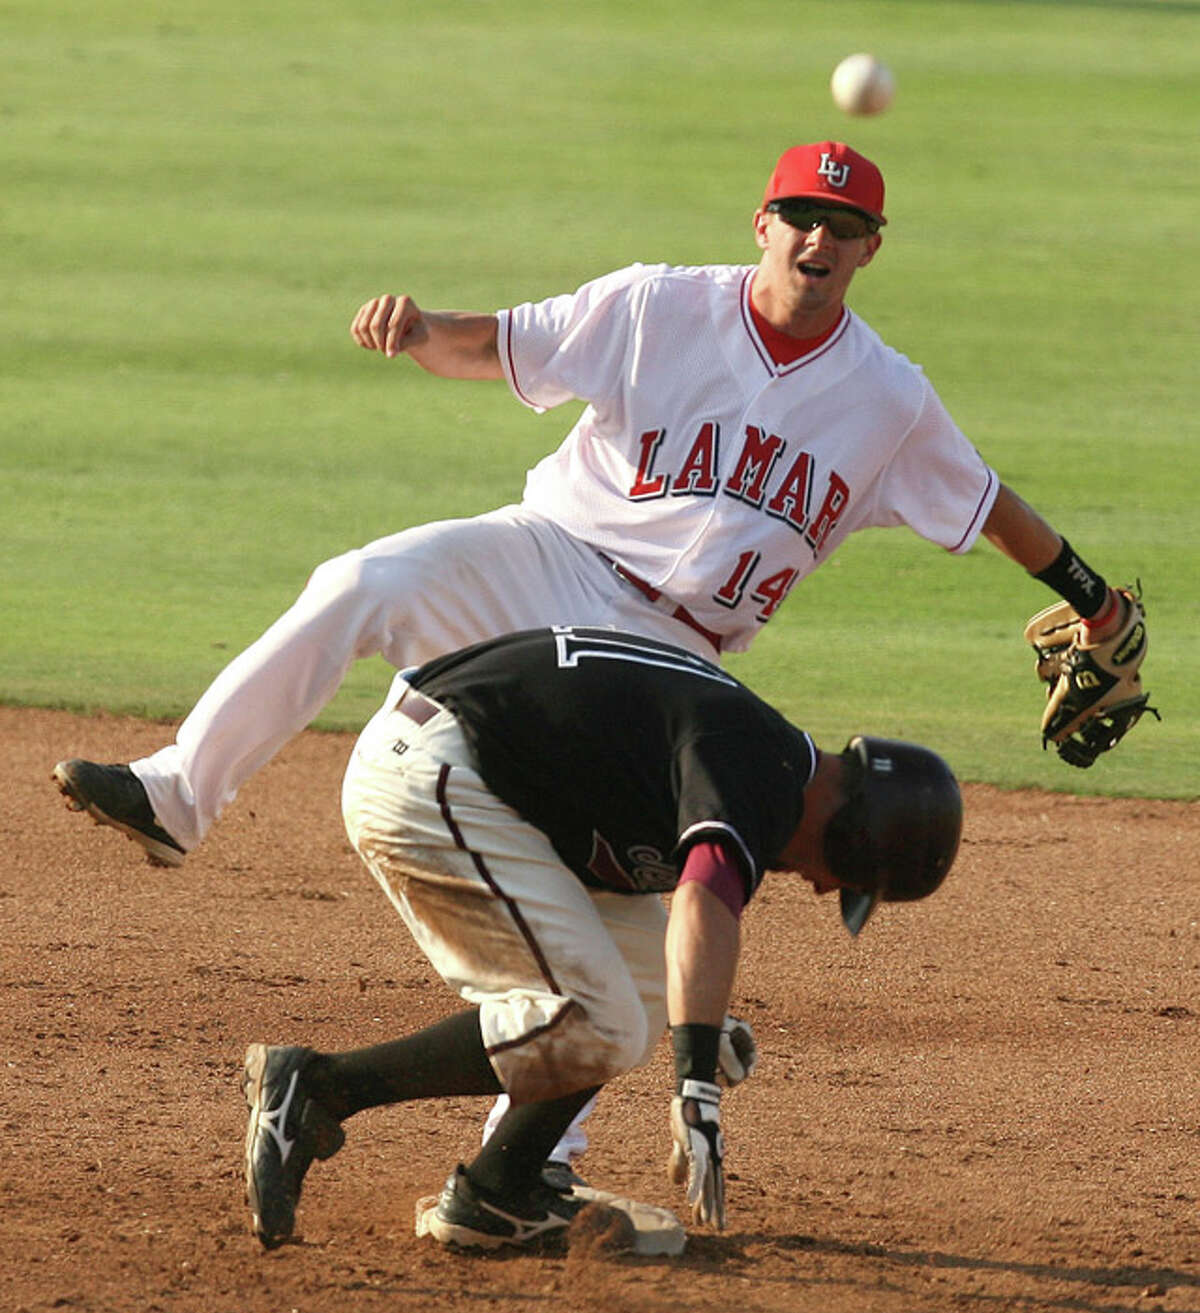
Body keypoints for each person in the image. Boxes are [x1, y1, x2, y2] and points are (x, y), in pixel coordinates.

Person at [53, 138, 1132, 1176]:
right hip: (546, 553)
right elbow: (505, 342)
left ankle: (532, 1159)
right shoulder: (661, 304)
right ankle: (176, 792)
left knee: (608, 887)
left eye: (842, 227)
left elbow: (988, 505)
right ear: (763, 224)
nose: (817, 238)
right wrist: (423, 326)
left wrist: (1094, 600)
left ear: (869, 249)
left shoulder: (889, 398)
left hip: (677, 644)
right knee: (362, 581)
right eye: (801, 216)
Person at [241, 624, 964, 1252]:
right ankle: (322, 1088)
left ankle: (498, 1191)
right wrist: (694, 1087)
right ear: (859, 834)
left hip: (479, 776)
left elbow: (682, 928)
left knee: (642, 994)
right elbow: (706, 896)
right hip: (433, 774)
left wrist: (701, 1035)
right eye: (850, 878)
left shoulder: (765, 763)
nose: (825, 889)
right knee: (602, 1020)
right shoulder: (761, 773)